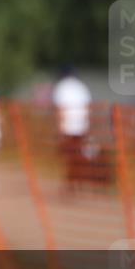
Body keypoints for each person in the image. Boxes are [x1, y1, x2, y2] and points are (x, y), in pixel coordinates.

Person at [51, 65, 92, 194]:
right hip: (81, 127)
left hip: (68, 128)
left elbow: (60, 109)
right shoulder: (81, 87)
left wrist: (59, 128)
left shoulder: (61, 87)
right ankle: (77, 183)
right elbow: (87, 107)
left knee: (69, 157)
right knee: (77, 156)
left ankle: (72, 184)